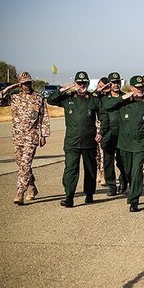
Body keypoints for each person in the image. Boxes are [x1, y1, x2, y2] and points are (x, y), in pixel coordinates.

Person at [104, 75, 144, 212]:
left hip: (141, 143)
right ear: (131, 88)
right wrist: (123, 97)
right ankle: (131, 187)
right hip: (124, 143)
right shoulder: (123, 102)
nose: (140, 90)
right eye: (137, 87)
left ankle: (134, 200)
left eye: (141, 87)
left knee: (136, 171)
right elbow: (106, 106)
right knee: (128, 170)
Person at [0, 72, 50, 204]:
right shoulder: (14, 97)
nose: (27, 85)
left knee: (25, 163)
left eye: (28, 82)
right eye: (24, 83)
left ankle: (20, 192)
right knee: (21, 165)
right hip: (18, 136)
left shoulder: (38, 98)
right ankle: (32, 187)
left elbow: (44, 117)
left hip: (32, 136)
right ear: (20, 84)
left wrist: (44, 134)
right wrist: (9, 88)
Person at [47, 71, 102, 207]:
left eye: (84, 83)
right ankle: (69, 196)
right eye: (79, 83)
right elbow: (50, 100)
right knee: (71, 170)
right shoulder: (67, 98)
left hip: (89, 140)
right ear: (75, 83)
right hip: (72, 141)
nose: (81, 85)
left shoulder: (93, 99)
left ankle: (89, 194)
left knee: (90, 169)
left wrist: (102, 132)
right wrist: (64, 89)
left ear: (88, 83)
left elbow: (104, 116)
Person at [98, 72, 127, 196]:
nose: (116, 85)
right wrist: (101, 89)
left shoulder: (126, 97)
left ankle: (124, 180)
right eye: (113, 82)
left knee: (122, 161)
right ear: (109, 84)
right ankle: (111, 186)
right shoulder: (103, 98)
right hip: (108, 134)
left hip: (122, 134)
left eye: (118, 82)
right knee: (108, 162)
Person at [93, 77, 110, 187]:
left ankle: (104, 174)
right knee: (96, 154)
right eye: (100, 86)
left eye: (104, 86)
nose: (102, 88)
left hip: (103, 128)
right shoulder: (94, 96)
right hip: (93, 128)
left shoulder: (108, 97)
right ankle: (99, 172)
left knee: (103, 153)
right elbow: (91, 97)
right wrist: (98, 91)